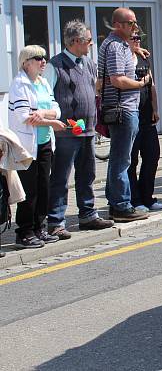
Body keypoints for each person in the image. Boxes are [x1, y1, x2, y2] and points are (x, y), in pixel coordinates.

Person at [44, 21, 114, 239]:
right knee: (61, 177)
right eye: (88, 40)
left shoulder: (89, 63)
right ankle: (55, 221)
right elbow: (47, 98)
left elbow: (93, 89)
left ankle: (87, 214)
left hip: (88, 129)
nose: (91, 44)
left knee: (88, 174)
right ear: (75, 41)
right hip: (65, 132)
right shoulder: (55, 66)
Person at [8, 46, 64, 248]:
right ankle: (24, 232)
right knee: (29, 190)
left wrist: (42, 114)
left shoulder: (43, 82)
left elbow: (56, 109)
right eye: (38, 58)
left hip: (45, 142)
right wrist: (49, 120)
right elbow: (25, 117)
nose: (43, 62)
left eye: (44, 58)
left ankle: (40, 227)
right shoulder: (19, 84)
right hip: (27, 146)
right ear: (26, 62)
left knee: (44, 187)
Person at [97, 8, 150, 222]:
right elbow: (117, 79)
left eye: (136, 23)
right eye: (131, 23)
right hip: (122, 109)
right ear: (118, 25)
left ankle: (117, 202)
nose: (135, 27)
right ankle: (121, 205)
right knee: (122, 160)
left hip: (124, 108)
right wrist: (140, 84)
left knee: (119, 159)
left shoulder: (117, 45)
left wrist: (136, 50)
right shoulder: (115, 47)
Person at [126, 32, 162, 212]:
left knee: (152, 156)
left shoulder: (143, 58)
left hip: (147, 116)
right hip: (130, 117)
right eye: (133, 38)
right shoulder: (122, 59)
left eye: (139, 38)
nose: (137, 41)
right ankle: (135, 199)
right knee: (131, 161)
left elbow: (152, 86)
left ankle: (147, 197)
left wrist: (156, 109)